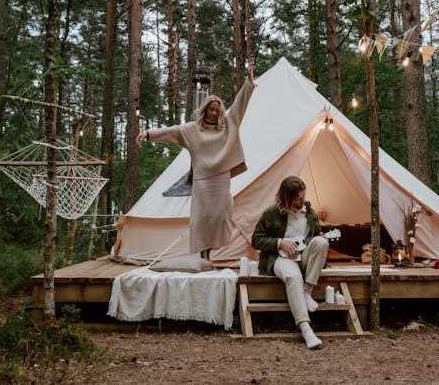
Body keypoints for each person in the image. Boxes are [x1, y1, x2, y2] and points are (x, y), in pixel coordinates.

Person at [136, 62, 256, 260]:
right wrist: (149, 134)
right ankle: (204, 255)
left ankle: (212, 249)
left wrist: (249, 80)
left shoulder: (228, 124)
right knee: (201, 219)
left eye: (218, 109)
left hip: (221, 179)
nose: (215, 113)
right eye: (212, 109)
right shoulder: (193, 130)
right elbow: (172, 131)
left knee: (220, 215)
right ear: (205, 110)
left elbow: (241, 103)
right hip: (203, 180)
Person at [251, 175, 330, 349]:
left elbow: (315, 235)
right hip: (280, 258)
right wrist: (280, 243)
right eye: (297, 199)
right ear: (286, 197)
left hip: (304, 258)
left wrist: (320, 237)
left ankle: (307, 292)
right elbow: (256, 240)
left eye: (303, 197)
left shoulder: (309, 213)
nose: (301, 201)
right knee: (293, 277)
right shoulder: (271, 213)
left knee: (322, 242)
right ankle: (306, 330)